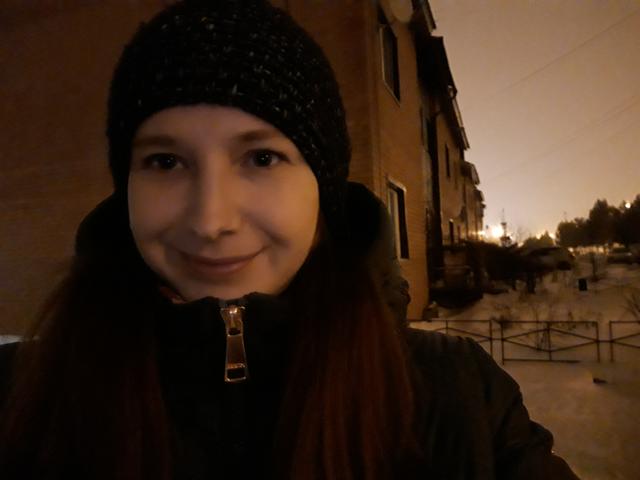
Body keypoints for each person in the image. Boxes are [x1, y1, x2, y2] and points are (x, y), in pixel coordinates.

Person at [0, 1, 579, 479]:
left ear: (322, 191)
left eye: (261, 157)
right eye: (166, 161)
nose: (210, 220)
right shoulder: (21, 397)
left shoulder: (461, 401)